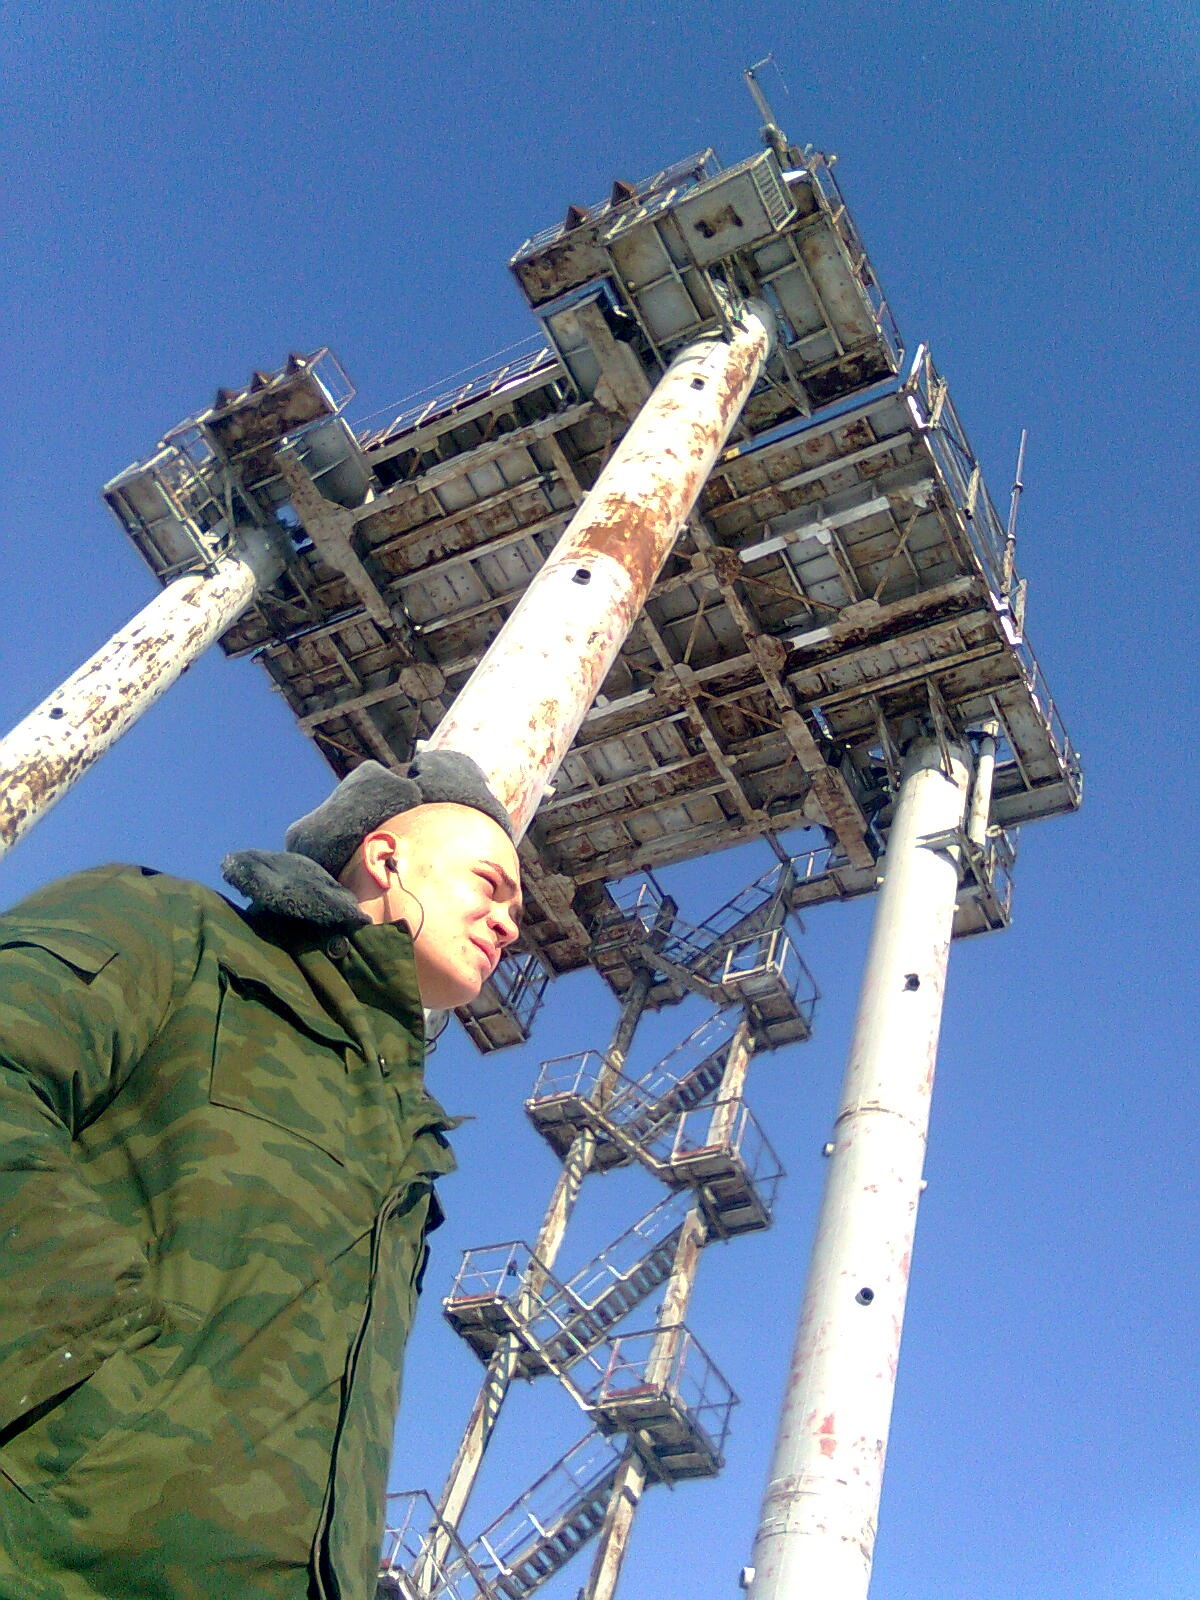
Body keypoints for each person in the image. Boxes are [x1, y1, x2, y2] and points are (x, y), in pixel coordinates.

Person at [0, 752, 522, 1600]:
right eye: (490, 885)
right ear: (386, 858)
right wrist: (90, 1390)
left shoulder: (408, 1142)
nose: (509, 925)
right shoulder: (178, 931)